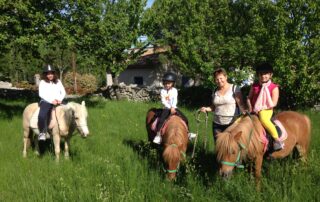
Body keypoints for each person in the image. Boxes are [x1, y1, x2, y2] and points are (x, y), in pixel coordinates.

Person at [200, 68, 245, 142]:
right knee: (218, 147)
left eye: (221, 78)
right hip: (217, 124)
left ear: (226, 77)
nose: (219, 81)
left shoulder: (234, 88)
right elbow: (214, 107)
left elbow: (241, 104)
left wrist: (244, 112)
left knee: (230, 147)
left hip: (232, 123)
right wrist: (206, 109)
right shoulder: (215, 91)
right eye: (217, 79)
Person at [246, 62, 283, 150]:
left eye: (266, 74)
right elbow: (249, 98)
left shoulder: (274, 87)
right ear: (258, 75)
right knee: (239, 121)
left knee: (263, 119)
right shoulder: (254, 86)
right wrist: (250, 108)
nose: (263, 76)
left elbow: (274, 103)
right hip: (254, 110)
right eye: (261, 74)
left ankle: (277, 140)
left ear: (271, 75)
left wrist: (261, 108)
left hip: (266, 110)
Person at [153, 72, 196, 144]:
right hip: (166, 108)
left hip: (174, 107)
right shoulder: (162, 91)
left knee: (185, 118)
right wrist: (170, 108)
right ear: (164, 83)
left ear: (172, 83)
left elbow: (175, 99)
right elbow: (163, 101)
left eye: (169, 83)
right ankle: (158, 135)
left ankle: (188, 133)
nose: (167, 85)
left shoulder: (175, 90)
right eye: (166, 83)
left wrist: (173, 107)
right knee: (161, 120)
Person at [38, 64, 66, 141]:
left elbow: (63, 92)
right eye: (48, 73)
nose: (50, 75)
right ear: (45, 74)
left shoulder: (58, 81)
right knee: (42, 115)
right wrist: (51, 101)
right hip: (46, 101)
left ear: (54, 73)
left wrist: (60, 99)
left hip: (58, 101)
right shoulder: (42, 82)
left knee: (70, 111)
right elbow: (41, 94)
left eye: (51, 73)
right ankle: (42, 132)